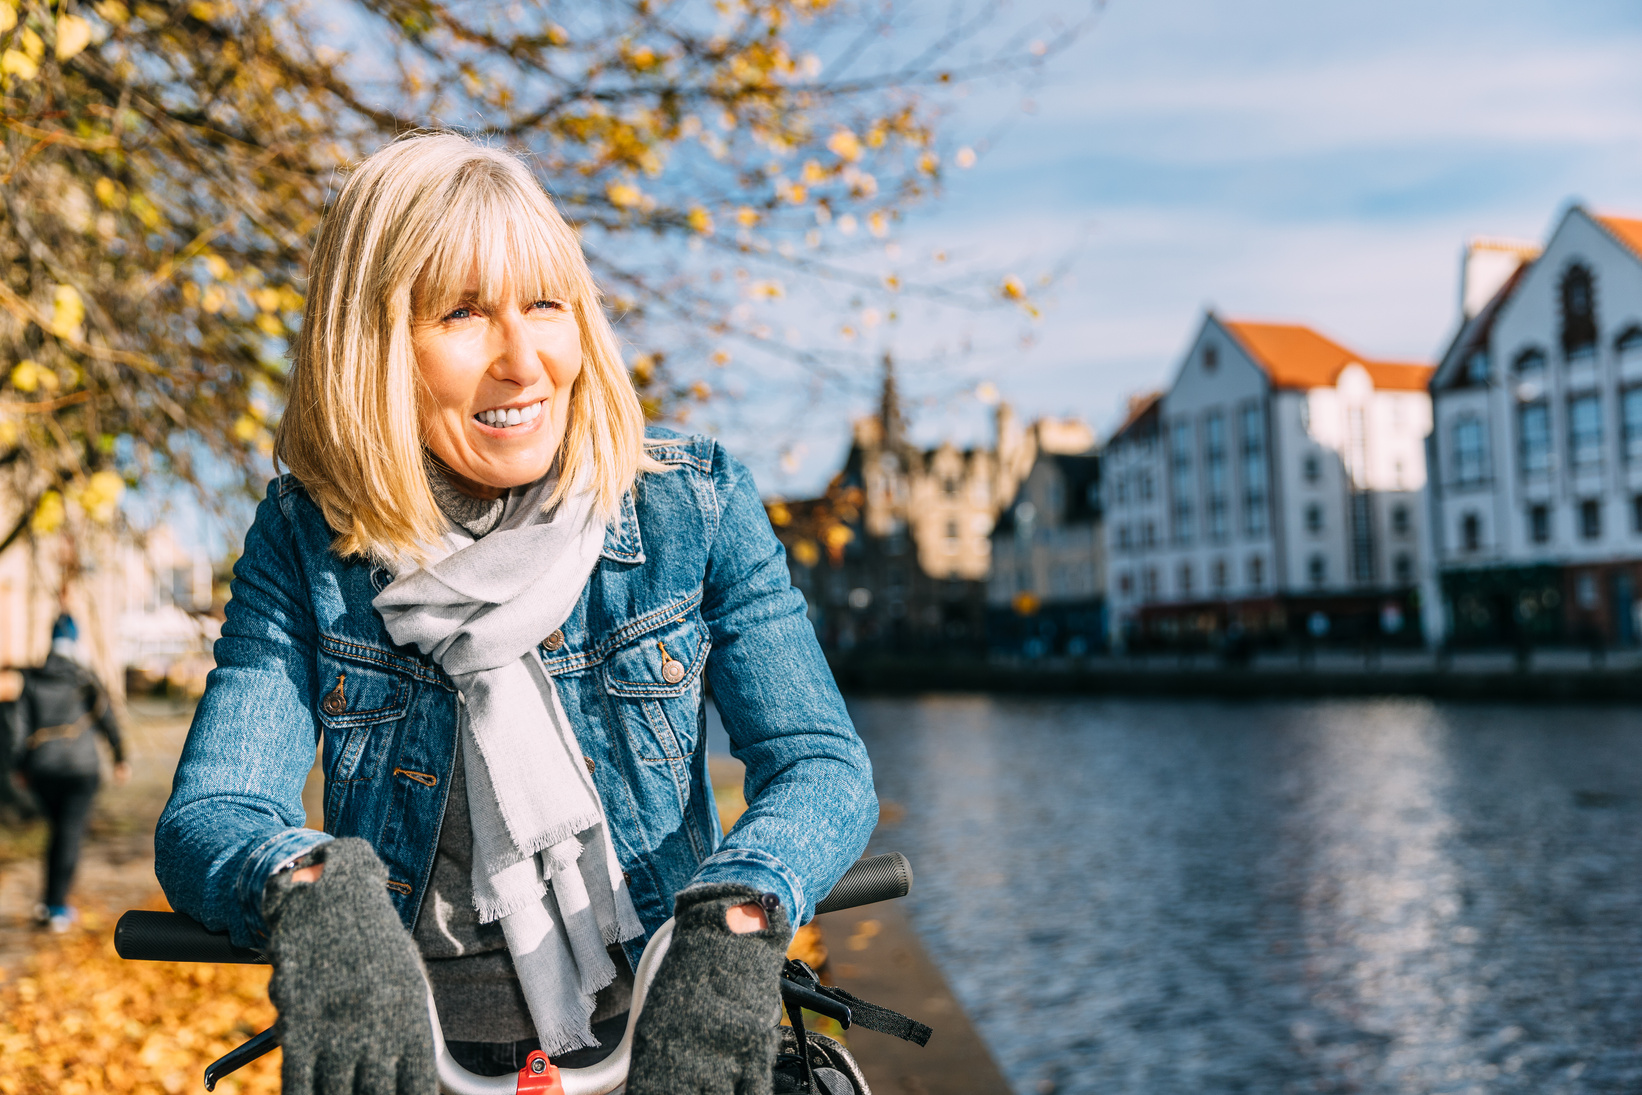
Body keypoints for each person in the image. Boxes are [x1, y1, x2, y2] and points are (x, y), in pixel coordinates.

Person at [155, 132, 877, 1095]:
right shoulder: (303, 541)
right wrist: (314, 892)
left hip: (668, 1048)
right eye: (461, 313)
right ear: (370, 344)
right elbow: (214, 808)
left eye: (546, 304)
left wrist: (741, 907)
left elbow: (821, 763)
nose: (524, 359)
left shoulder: (690, 504)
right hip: (411, 1061)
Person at [2, 613, 129, 933]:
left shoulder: (33, 679)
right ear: (76, 640)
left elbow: (19, 727)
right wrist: (119, 756)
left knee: (60, 834)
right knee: (68, 836)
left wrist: (18, 766)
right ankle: (57, 906)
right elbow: (107, 716)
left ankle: (49, 900)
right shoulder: (85, 677)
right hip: (80, 771)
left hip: (42, 770)